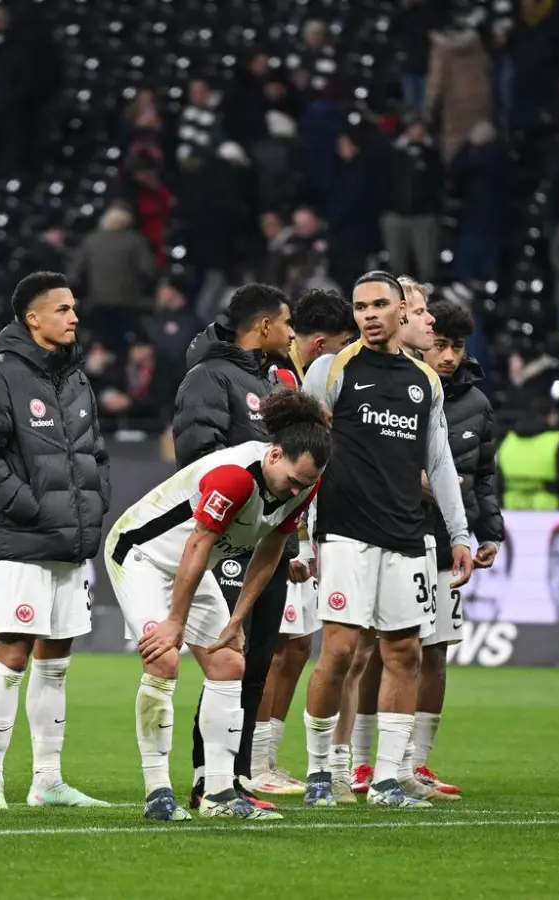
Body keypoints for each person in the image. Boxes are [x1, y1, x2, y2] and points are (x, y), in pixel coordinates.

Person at [108, 390, 329, 822]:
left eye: (306, 484)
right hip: (142, 555)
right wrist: (174, 620)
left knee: (229, 661)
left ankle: (219, 793)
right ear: (275, 454)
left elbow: (270, 554)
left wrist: (237, 619)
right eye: (294, 480)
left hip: (193, 565)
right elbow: (197, 543)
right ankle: (157, 793)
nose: (298, 490)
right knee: (164, 657)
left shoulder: (302, 485)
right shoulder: (234, 477)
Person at [298, 270, 474, 809]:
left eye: (379, 305)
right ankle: (320, 771)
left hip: (405, 534)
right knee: (340, 653)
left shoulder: (426, 380)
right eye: (360, 307)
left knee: (404, 653)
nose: (369, 315)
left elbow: (439, 461)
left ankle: (388, 780)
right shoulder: (333, 368)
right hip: (346, 531)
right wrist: (302, 540)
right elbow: (304, 452)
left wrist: (460, 531)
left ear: (404, 310)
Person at [0, 271, 112, 810]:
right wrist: (37, 509)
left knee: (57, 659)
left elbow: (95, 454)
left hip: (68, 543)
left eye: (74, 308)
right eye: (64, 309)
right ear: (33, 318)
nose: (74, 317)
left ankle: (47, 779)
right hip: (20, 539)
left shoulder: (75, 379)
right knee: (13, 653)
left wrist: (90, 506)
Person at [171, 282, 295, 810]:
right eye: (287, 323)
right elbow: (199, 455)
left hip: (272, 540)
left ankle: (238, 776)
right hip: (228, 544)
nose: (293, 334)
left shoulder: (274, 381)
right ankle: (207, 777)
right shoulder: (208, 377)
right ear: (264, 326)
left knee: (260, 660)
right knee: (229, 657)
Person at [249, 288, 354, 795]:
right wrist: (296, 543)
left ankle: (266, 757)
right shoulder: (281, 383)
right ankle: (255, 761)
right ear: (320, 343)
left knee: (295, 648)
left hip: (301, 533)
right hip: (279, 533)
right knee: (276, 648)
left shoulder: (290, 379)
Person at [410, 297, 504, 798]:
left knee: (436, 652)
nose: (447, 355)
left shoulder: (477, 404)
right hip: (398, 535)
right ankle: (363, 763)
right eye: (440, 344)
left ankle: (418, 763)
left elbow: (485, 476)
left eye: (456, 346)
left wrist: (489, 533)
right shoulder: (400, 390)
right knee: (384, 652)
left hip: (450, 544)